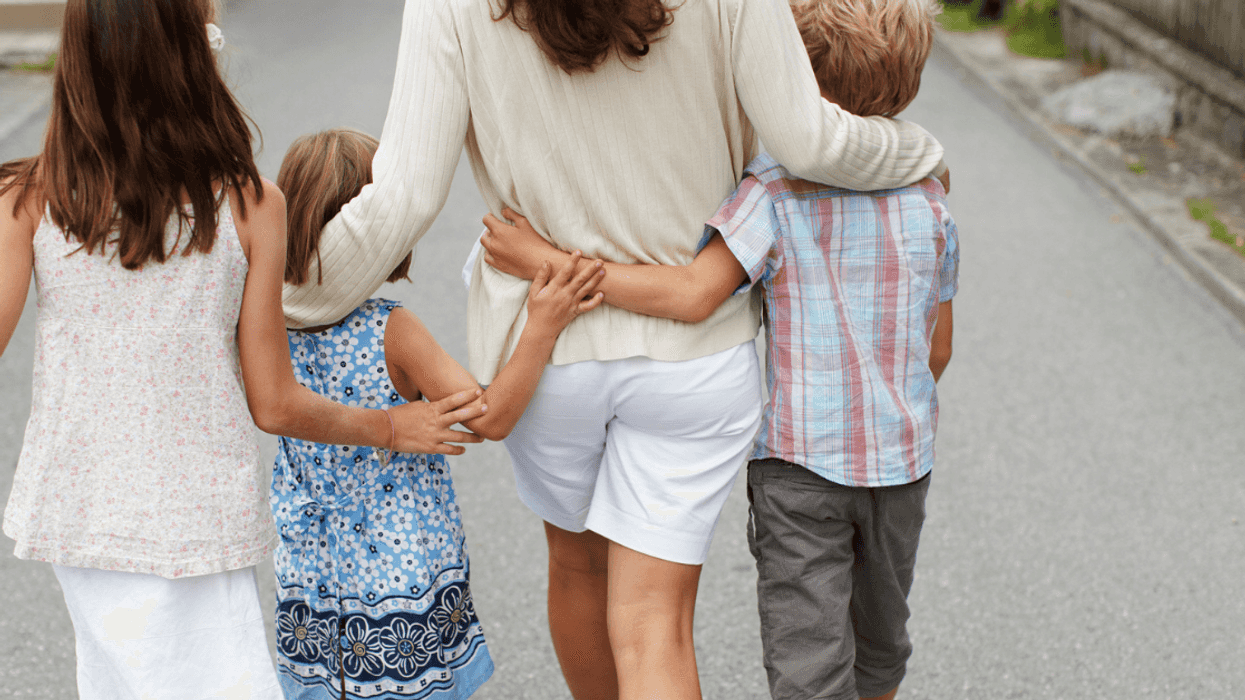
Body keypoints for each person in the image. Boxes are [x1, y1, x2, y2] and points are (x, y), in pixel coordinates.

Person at [281, 0, 948, 696]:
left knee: (576, 566)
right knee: (654, 621)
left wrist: (283, 300)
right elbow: (809, 144)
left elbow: (404, 197)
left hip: (545, 349)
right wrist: (917, 151)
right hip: (691, 356)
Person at [0, 3, 489, 697]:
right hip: (194, 516)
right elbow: (274, 401)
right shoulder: (249, 205)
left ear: (77, 64)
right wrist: (387, 425)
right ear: (192, 58)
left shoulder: (29, 198)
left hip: (78, 509)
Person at [480, 1, 958, 698]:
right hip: (901, 464)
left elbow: (692, 295)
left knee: (808, 664)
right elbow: (936, 349)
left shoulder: (772, 192)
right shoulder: (929, 196)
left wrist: (546, 260)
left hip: (800, 468)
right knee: (880, 641)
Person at [270, 128, 604, 700]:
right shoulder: (389, 330)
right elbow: (489, 418)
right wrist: (542, 326)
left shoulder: (267, 325)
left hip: (310, 575)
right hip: (399, 578)